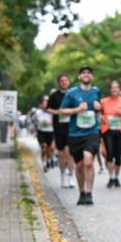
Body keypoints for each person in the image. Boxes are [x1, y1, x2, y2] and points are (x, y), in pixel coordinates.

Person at [59, 66, 102, 205]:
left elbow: (101, 108)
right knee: (79, 166)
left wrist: (99, 107)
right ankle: (82, 192)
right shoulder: (72, 93)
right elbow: (62, 111)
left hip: (92, 132)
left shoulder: (96, 91)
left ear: (92, 77)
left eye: (89, 72)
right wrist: (77, 109)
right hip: (75, 134)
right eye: (83, 73)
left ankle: (89, 193)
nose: (86, 74)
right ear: (79, 77)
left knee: (88, 162)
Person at [100, 80, 121, 188]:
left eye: (116, 87)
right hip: (108, 130)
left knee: (118, 155)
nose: (114, 89)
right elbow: (99, 114)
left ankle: (117, 178)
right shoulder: (104, 102)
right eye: (112, 87)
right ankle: (111, 177)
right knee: (109, 154)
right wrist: (101, 117)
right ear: (110, 89)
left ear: (119, 89)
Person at [47, 74, 75, 188]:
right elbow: (48, 109)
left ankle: (71, 176)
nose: (64, 82)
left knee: (70, 152)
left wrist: (71, 111)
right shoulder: (54, 96)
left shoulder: (73, 94)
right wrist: (57, 112)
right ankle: (63, 175)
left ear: (69, 82)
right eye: (62, 80)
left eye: (66, 80)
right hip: (59, 128)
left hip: (71, 127)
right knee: (62, 154)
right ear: (59, 83)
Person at [34, 95, 56, 171]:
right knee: (43, 147)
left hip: (51, 132)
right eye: (44, 101)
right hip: (41, 132)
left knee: (51, 148)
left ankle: (50, 160)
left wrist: (50, 122)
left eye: (47, 101)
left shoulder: (52, 111)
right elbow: (35, 121)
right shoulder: (38, 112)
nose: (45, 102)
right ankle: (44, 164)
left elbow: (55, 122)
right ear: (41, 103)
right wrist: (39, 122)